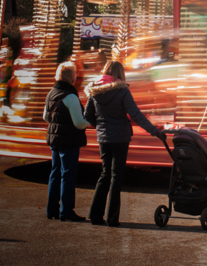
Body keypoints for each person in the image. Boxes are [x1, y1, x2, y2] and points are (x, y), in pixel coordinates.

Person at [84, 60, 164, 226]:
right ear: (120, 74)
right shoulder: (122, 91)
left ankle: (95, 215)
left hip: (104, 138)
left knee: (105, 174)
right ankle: (112, 218)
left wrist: (100, 126)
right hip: (120, 137)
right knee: (116, 177)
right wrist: (154, 131)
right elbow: (136, 114)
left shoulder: (94, 91)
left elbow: (88, 115)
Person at [43, 62, 91, 222]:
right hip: (69, 140)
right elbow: (78, 123)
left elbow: (45, 117)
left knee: (54, 173)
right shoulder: (70, 96)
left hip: (54, 139)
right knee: (68, 175)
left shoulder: (51, 93)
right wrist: (89, 122)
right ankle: (67, 210)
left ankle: (51, 210)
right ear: (71, 77)